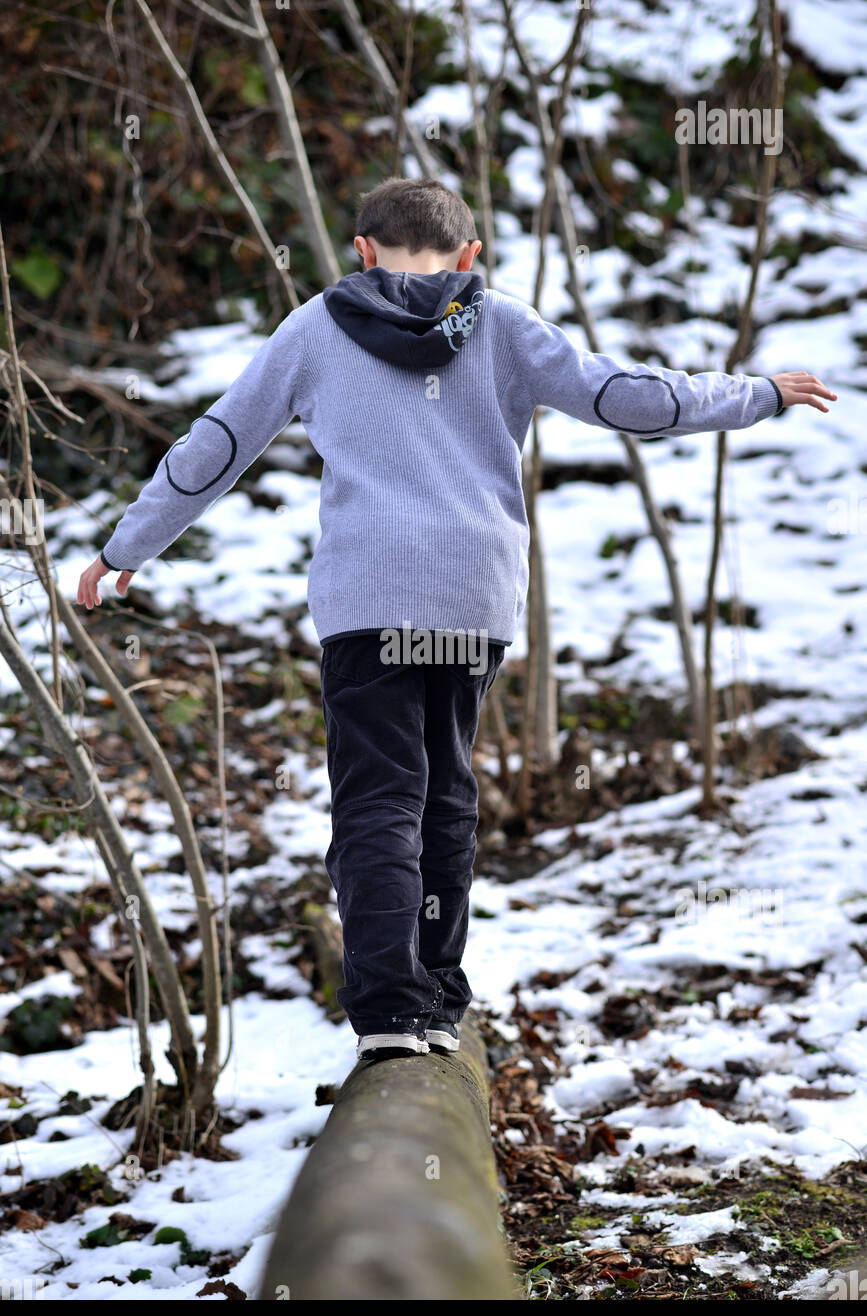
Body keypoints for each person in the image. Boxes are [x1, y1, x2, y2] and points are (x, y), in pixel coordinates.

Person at [76, 177, 836, 1060]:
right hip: (469, 600)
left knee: (379, 799)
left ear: (362, 252)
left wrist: (124, 550)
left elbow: (217, 445)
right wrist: (757, 394)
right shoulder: (505, 324)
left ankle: (392, 1013)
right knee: (445, 795)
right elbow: (626, 397)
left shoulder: (315, 329)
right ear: (469, 258)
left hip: (369, 604)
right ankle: (434, 996)